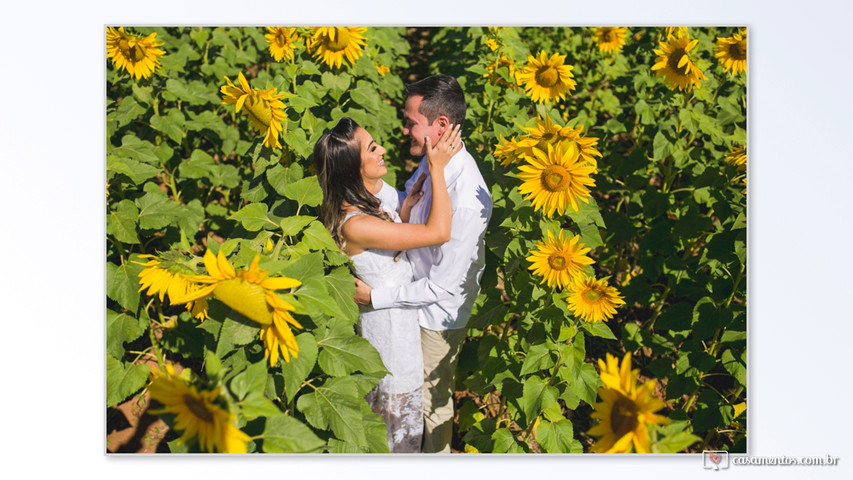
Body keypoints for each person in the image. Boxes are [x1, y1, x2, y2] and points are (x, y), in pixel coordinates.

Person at [354, 75, 493, 453]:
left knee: (431, 403)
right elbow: (411, 212)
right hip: (406, 294)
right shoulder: (434, 163)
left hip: (433, 317)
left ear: (441, 126)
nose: (404, 130)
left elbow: (442, 288)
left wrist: (374, 296)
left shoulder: (465, 198)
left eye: (411, 121)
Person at [313, 116, 462, 453]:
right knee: (397, 443)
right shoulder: (357, 224)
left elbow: (385, 260)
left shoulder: (365, 204)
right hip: (391, 347)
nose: (382, 150)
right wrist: (437, 168)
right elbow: (438, 232)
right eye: (371, 148)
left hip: (399, 331)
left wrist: (404, 211)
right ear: (352, 168)